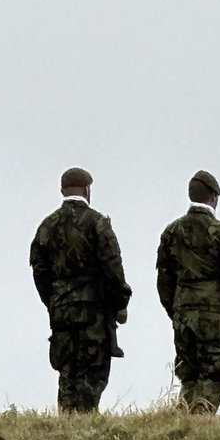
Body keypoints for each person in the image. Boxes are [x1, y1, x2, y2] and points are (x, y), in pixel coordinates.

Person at [30, 167, 132, 413]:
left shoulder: (46, 226)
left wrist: (53, 301)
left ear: (62, 191)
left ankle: (67, 421)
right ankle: (86, 420)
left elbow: (39, 272)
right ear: (87, 190)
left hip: (61, 310)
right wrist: (120, 302)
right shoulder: (97, 223)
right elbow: (113, 268)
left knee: (67, 371)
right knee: (93, 372)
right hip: (93, 309)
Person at [156, 169, 220, 413]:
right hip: (214, 314)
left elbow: (164, 280)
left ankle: (183, 422)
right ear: (213, 197)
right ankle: (200, 423)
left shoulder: (171, 232)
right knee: (212, 375)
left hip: (183, 313)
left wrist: (175, 310)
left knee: (188, 375)